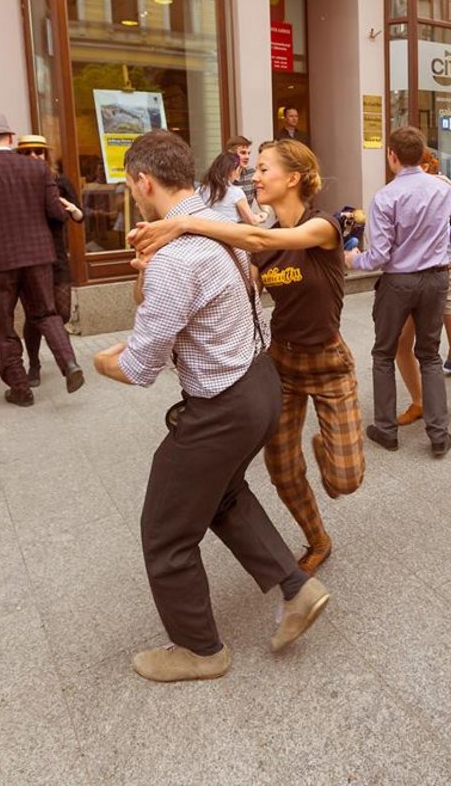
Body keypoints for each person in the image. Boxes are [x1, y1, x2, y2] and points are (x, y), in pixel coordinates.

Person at [94, 131, 328, 682]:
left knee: (166, 530)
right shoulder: (213, 228)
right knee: (223, 495)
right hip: (259, 383)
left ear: (142, 183)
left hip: (221, 405)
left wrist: (105, 361)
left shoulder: (179, 254)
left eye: (131, 186)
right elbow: (178, 302)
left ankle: (199, 649)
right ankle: (297, 589)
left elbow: (140, 366)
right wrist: (147, 273)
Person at [129, 139, 364, 576]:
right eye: (253, 170)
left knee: (345, 480)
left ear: (293, 178)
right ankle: (318, 539)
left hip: (329, 361)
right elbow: (241, 291)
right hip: (283, 366)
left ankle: (327, 446)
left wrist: (183, 226)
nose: (253, 177)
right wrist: (155, 274)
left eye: (263, 169)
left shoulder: (323, 228)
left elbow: (255, 234)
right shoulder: (263, 248)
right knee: (282, 470)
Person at [345, 126, 451, 458]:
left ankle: (386, 430)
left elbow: (379, 256)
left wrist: (351, 259)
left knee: (383, 354)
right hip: (436, 279)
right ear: (421, 155)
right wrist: (440, 237)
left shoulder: (385, 196)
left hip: (398, 282)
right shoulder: (442, 189)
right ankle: (438, 434)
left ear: (392, 155)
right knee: (430, 355)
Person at [0, 114, 84, 406]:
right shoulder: (38, 170)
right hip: (38, 256)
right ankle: (70, 364)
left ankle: (20, 390)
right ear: (10, 138)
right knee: (47, 313)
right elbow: (57, 214)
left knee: (3, 325)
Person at [395, 159, 451, 426]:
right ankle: (419, 401)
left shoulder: (441, 188)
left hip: (449, 273)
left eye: (424, 166)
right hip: (414, 276)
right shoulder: (399, 191)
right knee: (401, 342)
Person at [15, 134, 84, 388]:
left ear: (46, 156)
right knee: (37, 314)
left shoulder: (59, 181)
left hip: (57, 257)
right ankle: (34, 364)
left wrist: (71, 208)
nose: (35, 156)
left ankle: (54, 344)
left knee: (61, 312)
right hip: (30, 259)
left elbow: (79, 214)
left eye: (39, 152)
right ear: (21, 157)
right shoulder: (17, 185)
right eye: (28, 152)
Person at [199, 149, 261, 225]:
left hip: (207, 232)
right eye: (239, 169)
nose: (239, 173)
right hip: (230, 233)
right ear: (231, 170)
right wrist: (260, 217)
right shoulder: (236, 192)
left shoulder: (201, 189)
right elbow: (252, 221)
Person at [225, 134, 255, 204]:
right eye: (243, 153)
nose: (247, 157)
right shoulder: (220, 174)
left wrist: (265, 212)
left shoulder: (251, 172)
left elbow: (261, 199)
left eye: (249, 153)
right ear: (231, 154)